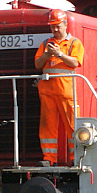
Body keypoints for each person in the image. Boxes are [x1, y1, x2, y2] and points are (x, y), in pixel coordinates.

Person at [34, 9, 84, 166]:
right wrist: (46, 55)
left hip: (66, 91)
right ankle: (49, 158)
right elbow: (37, 64)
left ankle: (75, 158)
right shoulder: (45, 44)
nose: (55, 30)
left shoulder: (74, 43)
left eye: (58, 26)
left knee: (72, 125)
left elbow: (76, 62)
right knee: (47, 125)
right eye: (52, 27)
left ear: (65, 25)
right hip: (47, 91)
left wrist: (60, 54)